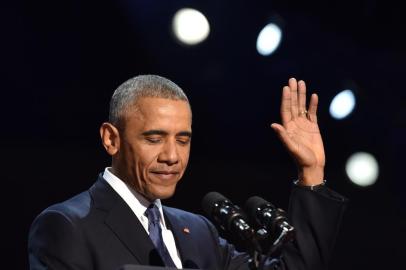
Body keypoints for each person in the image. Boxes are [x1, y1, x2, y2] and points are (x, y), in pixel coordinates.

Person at [28, 75, 347, 270]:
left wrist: (311, 172)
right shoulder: (67, 226)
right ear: (112, 139)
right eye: (154, 138)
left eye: (183, 140)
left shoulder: (199, 233)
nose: (171, 156)